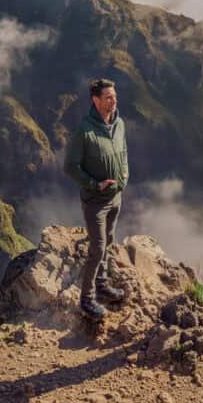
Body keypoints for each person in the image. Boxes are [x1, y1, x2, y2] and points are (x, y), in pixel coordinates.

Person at [63, 78, 129, 319]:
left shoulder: (119, 124)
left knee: (109, 241)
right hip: (95, 201)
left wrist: (124, 176)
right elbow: (70, 166)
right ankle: (87, 299)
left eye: (115, 96)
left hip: (116, 197)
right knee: (97, 248)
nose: (114, 100)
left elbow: (123, 153)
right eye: (109, 97)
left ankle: (102, 284)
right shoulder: (84, 130)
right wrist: (94, 184)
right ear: (96, 100)